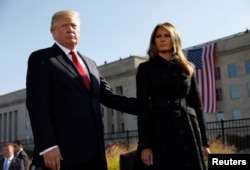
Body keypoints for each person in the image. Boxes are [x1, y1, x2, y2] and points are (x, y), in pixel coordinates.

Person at [26, 10, 139, 170]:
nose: (70, 29)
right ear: (53, 32)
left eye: (74, 25)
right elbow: (37, 105)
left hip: (95, 153)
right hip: (62, 154)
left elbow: (109, 97)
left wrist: (147, 106)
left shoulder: (90, 63)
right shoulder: (41, 59)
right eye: (64, 25)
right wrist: (48, 146)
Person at [134, 22, 210, 170]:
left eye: (167, 35)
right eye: (158, 36)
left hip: (188, 129)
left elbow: (197, 105)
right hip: (160, 130)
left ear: (174, 38)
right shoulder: (145, 69)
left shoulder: (187, 68)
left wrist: (205, 142)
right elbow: (142, 109)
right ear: (154, 41)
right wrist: (145, 145)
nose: (162, 39)